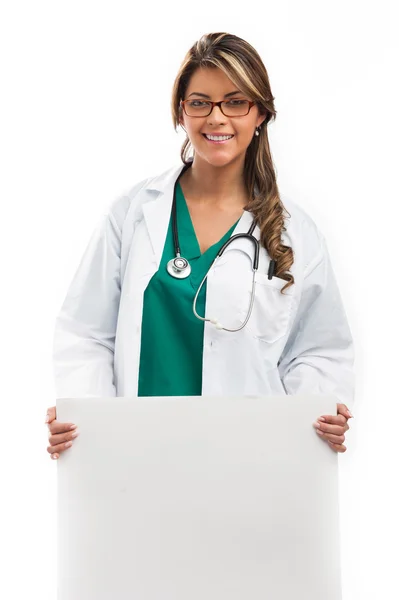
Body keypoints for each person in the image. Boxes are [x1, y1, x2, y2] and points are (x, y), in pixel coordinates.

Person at [46, 32, 355, 460]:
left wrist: (318, 416)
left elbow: (319, 349)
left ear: (261, 113)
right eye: (200, 102)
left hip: (248, 458)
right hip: (136, 454)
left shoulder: (295, 234)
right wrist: (85, 418)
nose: (217, 118)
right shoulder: (133, 213)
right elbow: (85, 333)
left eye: (235, 101)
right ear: (181, 112)